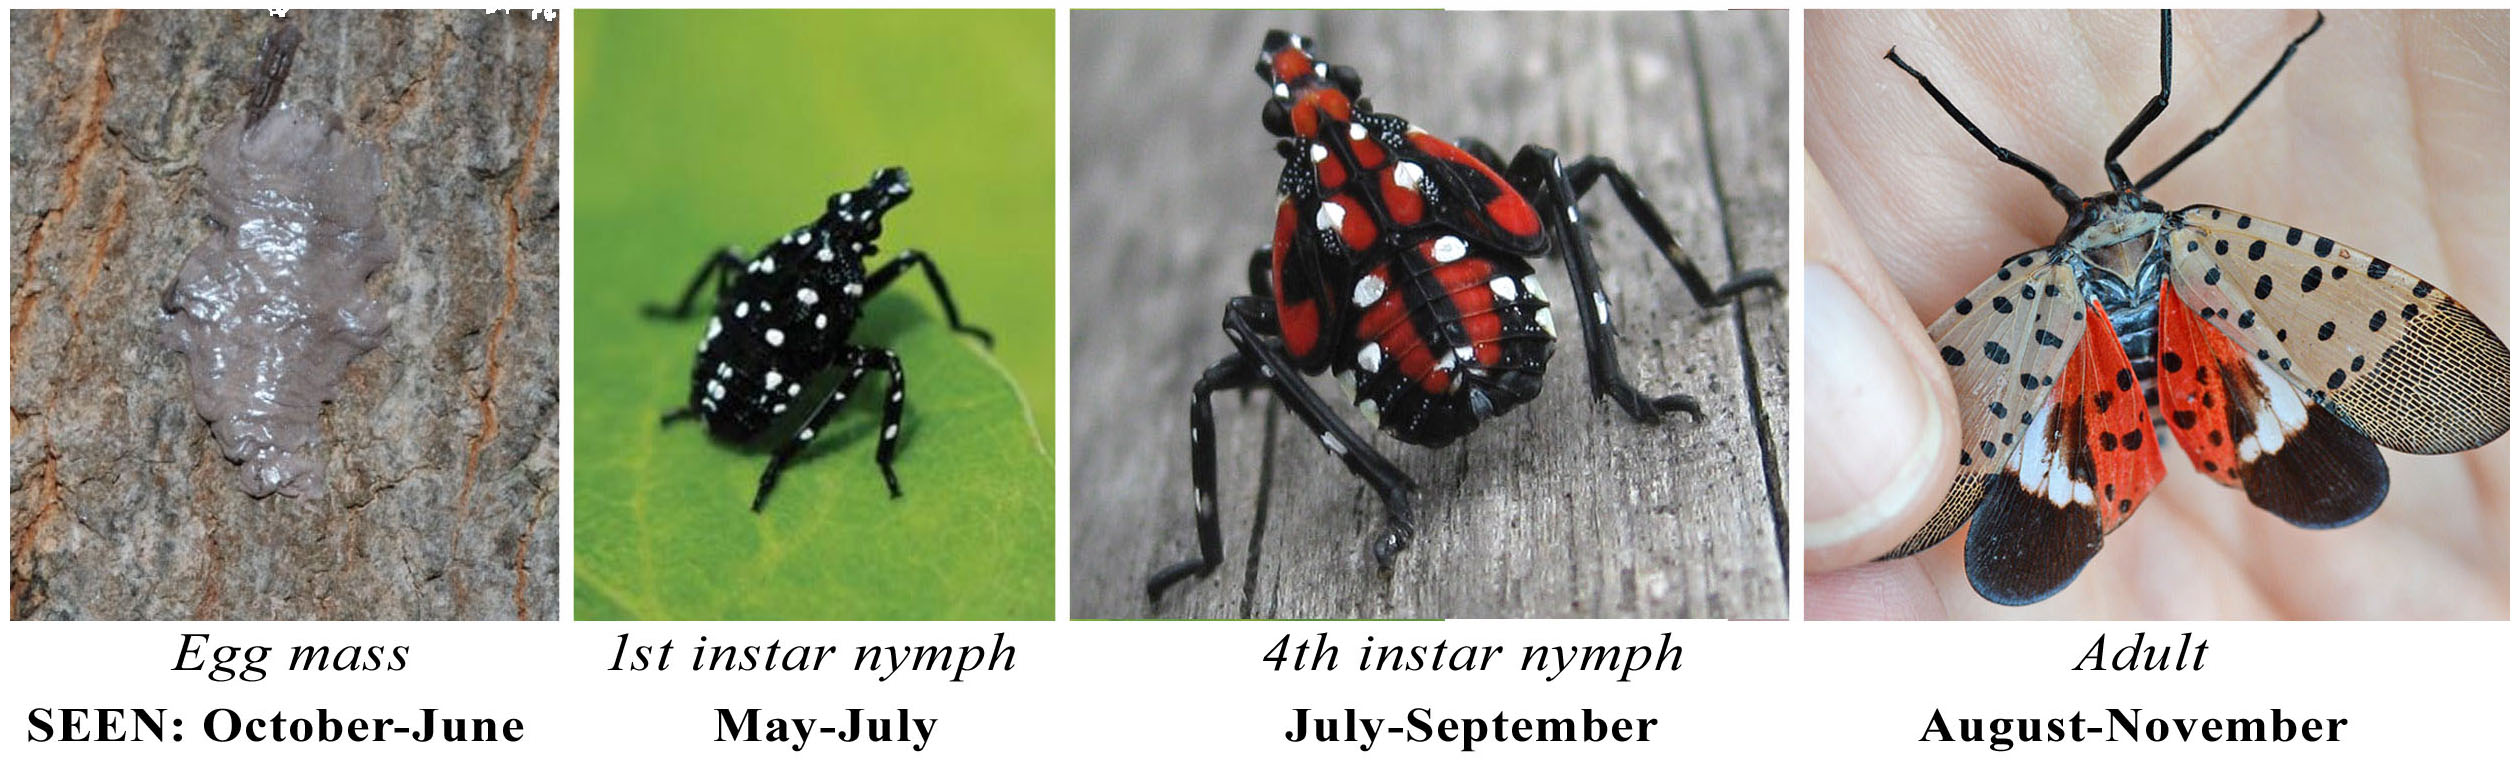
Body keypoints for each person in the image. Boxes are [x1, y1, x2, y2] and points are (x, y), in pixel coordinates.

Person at [1804, 10, 2509, 619]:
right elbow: (2177, 115)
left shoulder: (2061, 269)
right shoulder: (2175, 232)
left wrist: (2290, 52)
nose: (2108, 209)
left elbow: (2145, 120)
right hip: (2167, 360)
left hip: (2137, 363)